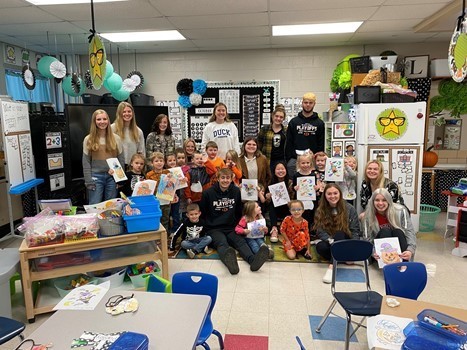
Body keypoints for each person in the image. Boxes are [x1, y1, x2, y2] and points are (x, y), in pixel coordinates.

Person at [199, 168, 270, 274]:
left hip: (231, 226)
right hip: (214, 228)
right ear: (218, 178)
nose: (225, 180)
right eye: (222, 178)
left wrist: (240, 225)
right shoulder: (207, 193)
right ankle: (231, 264)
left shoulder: (236, 191)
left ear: (232, 179)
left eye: (228, 178)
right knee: (222, 244)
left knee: (240, 242)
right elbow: (203, 213)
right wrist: (205, 229)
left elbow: (239, 210)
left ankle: (253, 261)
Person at [313, 184, 360, 284]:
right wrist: (331, 241)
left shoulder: (350, 209)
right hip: (331, 242)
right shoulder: (320, 210)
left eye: (335, 193)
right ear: (325, 195)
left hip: (345, 241)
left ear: (340, 194)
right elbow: (320, 231)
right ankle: (344, 257)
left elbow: (355, 231)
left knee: (339, 234)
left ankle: (332, 267)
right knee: (320, 247)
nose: (332, 196)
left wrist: (354, 248)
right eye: (329, 194)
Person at [361, 188, 416, 262]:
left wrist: (410, 250)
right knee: (385, 231)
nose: (380, 203)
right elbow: (367, 239)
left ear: (389, 201)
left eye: (384, 200)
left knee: (398, 231)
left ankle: (404, 263)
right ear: (372, 202)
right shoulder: (367, 216)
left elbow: (409, 233)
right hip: (381, 248)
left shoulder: (401, 211)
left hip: (399, 243)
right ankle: (386, 264)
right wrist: (373, 251)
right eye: (377, 200)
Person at [83, 109, 124, 204]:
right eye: (99, 119)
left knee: (111, 207)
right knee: (94, 206)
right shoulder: (88, 139)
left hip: (112, 178)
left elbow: (120, 160)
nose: (102, 122)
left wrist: (119, 179)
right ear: (94, 121)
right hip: (95, 178)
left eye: (104, 119)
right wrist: (88, 181)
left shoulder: (116, 139)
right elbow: (86, 162)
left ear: (108, 120)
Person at [285, 92, 325, 177]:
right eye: (306, 102)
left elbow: (321, 144)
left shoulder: (320, 123)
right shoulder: (294, 122)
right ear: (302, 103)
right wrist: (290, 159)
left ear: (314, 104)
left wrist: (316, 159)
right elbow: (289, 143)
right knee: (295, 186)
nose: (308, 105)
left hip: (312, 161)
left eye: (310, 103)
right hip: (295, 160)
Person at [146, 152, 174, 231]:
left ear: (164, 162)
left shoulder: (167, 172)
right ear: (152, 163)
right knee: (156, 219)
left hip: (166, 200)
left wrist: (171, 180)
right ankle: (156, 236)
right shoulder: (149, 175)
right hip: (155, 200)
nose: (159, 163)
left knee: (165, 219)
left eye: (161, 161)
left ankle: (165, 237)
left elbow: (174, 185)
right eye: (156, 161)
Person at [111, 102, 145, 169]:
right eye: (124, 112)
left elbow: (141, 152)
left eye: (129, 111)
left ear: (132, 113)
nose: (127, 114)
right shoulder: (112, 129)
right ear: (119, 113)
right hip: (116, 166)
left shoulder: (138, 131)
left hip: (132, 167)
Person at [268, 161, 294, 243]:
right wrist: (267, 196)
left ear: (286, 170)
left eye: (282, 169)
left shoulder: (290, 183)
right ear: (274, 171)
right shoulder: (270, 182)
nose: (280, 171)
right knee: (271, 204)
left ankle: (287, 230)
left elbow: (293, 200)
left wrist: (288, 201)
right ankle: (274, 229)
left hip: (287, 207)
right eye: (278, 169)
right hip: (275, 208)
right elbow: (266, 201)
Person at [258, 104, 287, 172]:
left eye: (281, 117)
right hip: (267, 159)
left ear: (283, 118)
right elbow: (258, 144)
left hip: (281, 160)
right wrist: (260, 156)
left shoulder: (286, 131)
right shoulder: (265, 129)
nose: (278, 118)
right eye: (276, 116)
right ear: (272, 116)